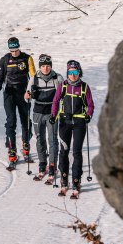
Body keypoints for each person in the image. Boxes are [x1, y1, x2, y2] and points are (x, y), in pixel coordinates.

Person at [50, 60, 94, 198]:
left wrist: (88, 115)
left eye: (75, 72)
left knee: (76, 152)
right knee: (63, 151)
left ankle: (76, 181)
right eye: (70, 72)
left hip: (79, 123)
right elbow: (56, 101)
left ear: (79, 72)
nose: (73, 75)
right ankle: (64, 180)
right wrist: (53, 115)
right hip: (65, 122)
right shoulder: (63, 86)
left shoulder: (84, 87)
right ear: (67, 73)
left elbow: (91, 105)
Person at [0, 37, 35, 166]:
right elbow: (1, 76)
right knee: (11, 120)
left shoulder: (27, 58)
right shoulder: (4, 59)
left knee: (25, 120)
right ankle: (12, 150)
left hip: (23, 92)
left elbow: (33, 76)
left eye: (15, 49)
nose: (13, 52)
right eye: (11, 50)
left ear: (18, 47)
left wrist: (31, 90)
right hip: (9, 93)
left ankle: (26, 145)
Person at [24, 54, 63, 183]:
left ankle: (52, 167)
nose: (45, 68)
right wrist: (28, 95)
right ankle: (42, 165)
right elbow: (27, 95)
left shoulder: (57, 78)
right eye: (43, 66)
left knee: (52, 140)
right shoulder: (34, 78)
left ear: (51, 66)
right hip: (38, 113)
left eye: (47, 66)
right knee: (40, 139)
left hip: (52, 112)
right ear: (39, 67)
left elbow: (62, 97)